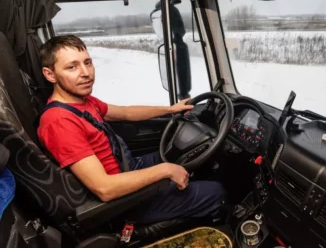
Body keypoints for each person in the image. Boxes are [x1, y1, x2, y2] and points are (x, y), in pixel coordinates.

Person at [36, 35, 227, 225]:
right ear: (50, 74)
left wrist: (171, 109)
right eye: (72, 67)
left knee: (187, 154)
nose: (86, 73)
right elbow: (105, 188)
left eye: (88, 63)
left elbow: (126, 113)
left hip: (127, 167)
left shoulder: (82, 101)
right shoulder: (58, 121)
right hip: (126, 202)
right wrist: (165, 170)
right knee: (216, 193)